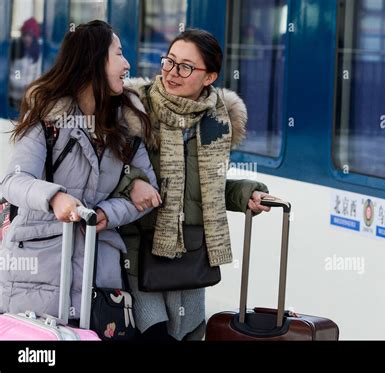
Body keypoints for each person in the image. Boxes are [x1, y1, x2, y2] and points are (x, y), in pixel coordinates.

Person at [114, 29, 272, 341]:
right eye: (169, 62)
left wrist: (245, 194)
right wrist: (131, 184)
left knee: (187, 333)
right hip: (141, 250)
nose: (172, 73)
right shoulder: (135, 110)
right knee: (153, 334)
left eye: (186, 67)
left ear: (209, 76)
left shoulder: (217, 120)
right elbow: (104, 175)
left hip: (190, 255)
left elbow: (204, 188)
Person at [0, 20, 159, 322]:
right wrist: (55, 198)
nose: (127, 64)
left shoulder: (126, 125)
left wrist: (107, 213)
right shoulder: (48, 119)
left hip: (97, 274)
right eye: (119, 54)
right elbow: (13, 181)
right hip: (38, 270)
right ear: (94, 60)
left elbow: (149, 191)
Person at [9, 17, 42, 109]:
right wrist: (23, 83)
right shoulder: (16, 51)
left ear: (34, 37)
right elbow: (12, 74)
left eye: (30, 35)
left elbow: (38, 75)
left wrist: (30, 86)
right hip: (14, 99)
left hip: (29, 101)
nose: (26, 38)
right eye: (25, 35)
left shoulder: (38, 55)